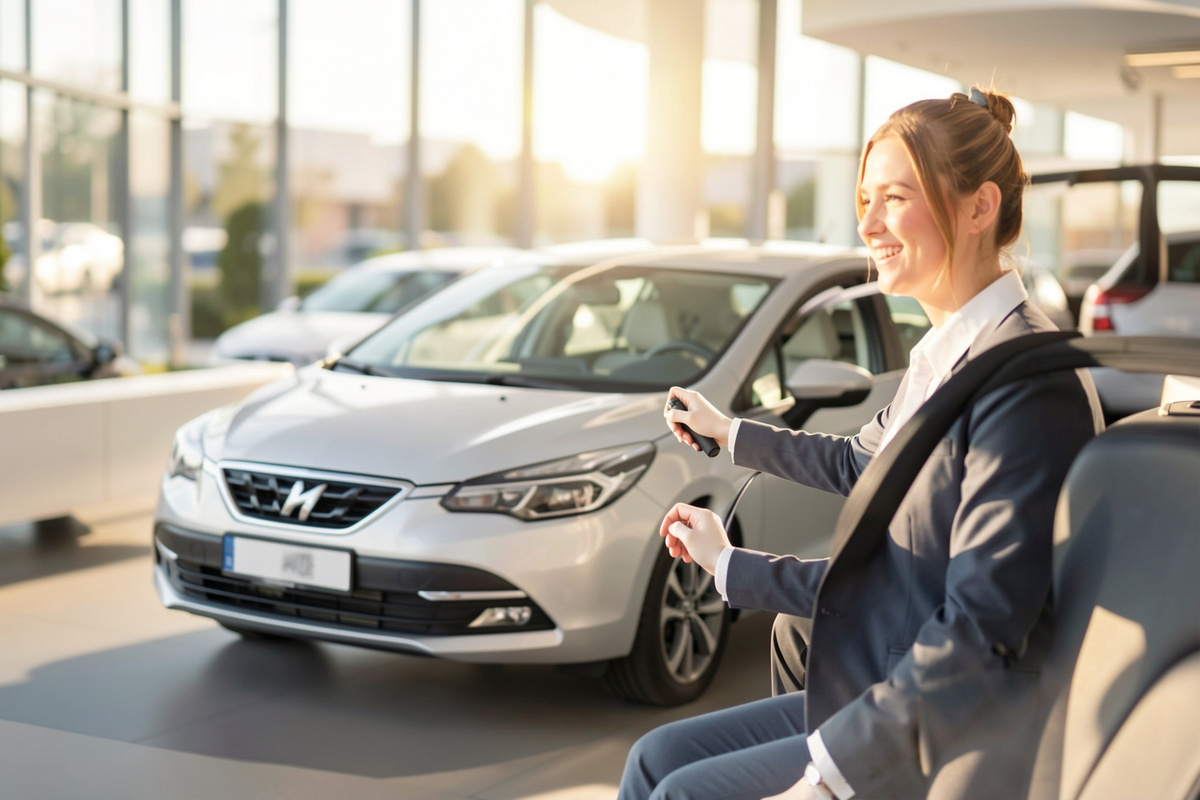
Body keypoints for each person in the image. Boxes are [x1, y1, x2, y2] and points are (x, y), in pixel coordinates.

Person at [617, 87, 1105, 800]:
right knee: (654, 760)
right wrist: (730, 437)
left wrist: (825, 784)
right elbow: (859, 462)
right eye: (865, 200)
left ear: (979, 207)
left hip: (956, 734)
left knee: (682, 793)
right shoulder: (946, 355)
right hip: (886, 684)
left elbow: (976, 632)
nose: (868, 224)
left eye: (895, 198)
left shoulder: (1028, 385)